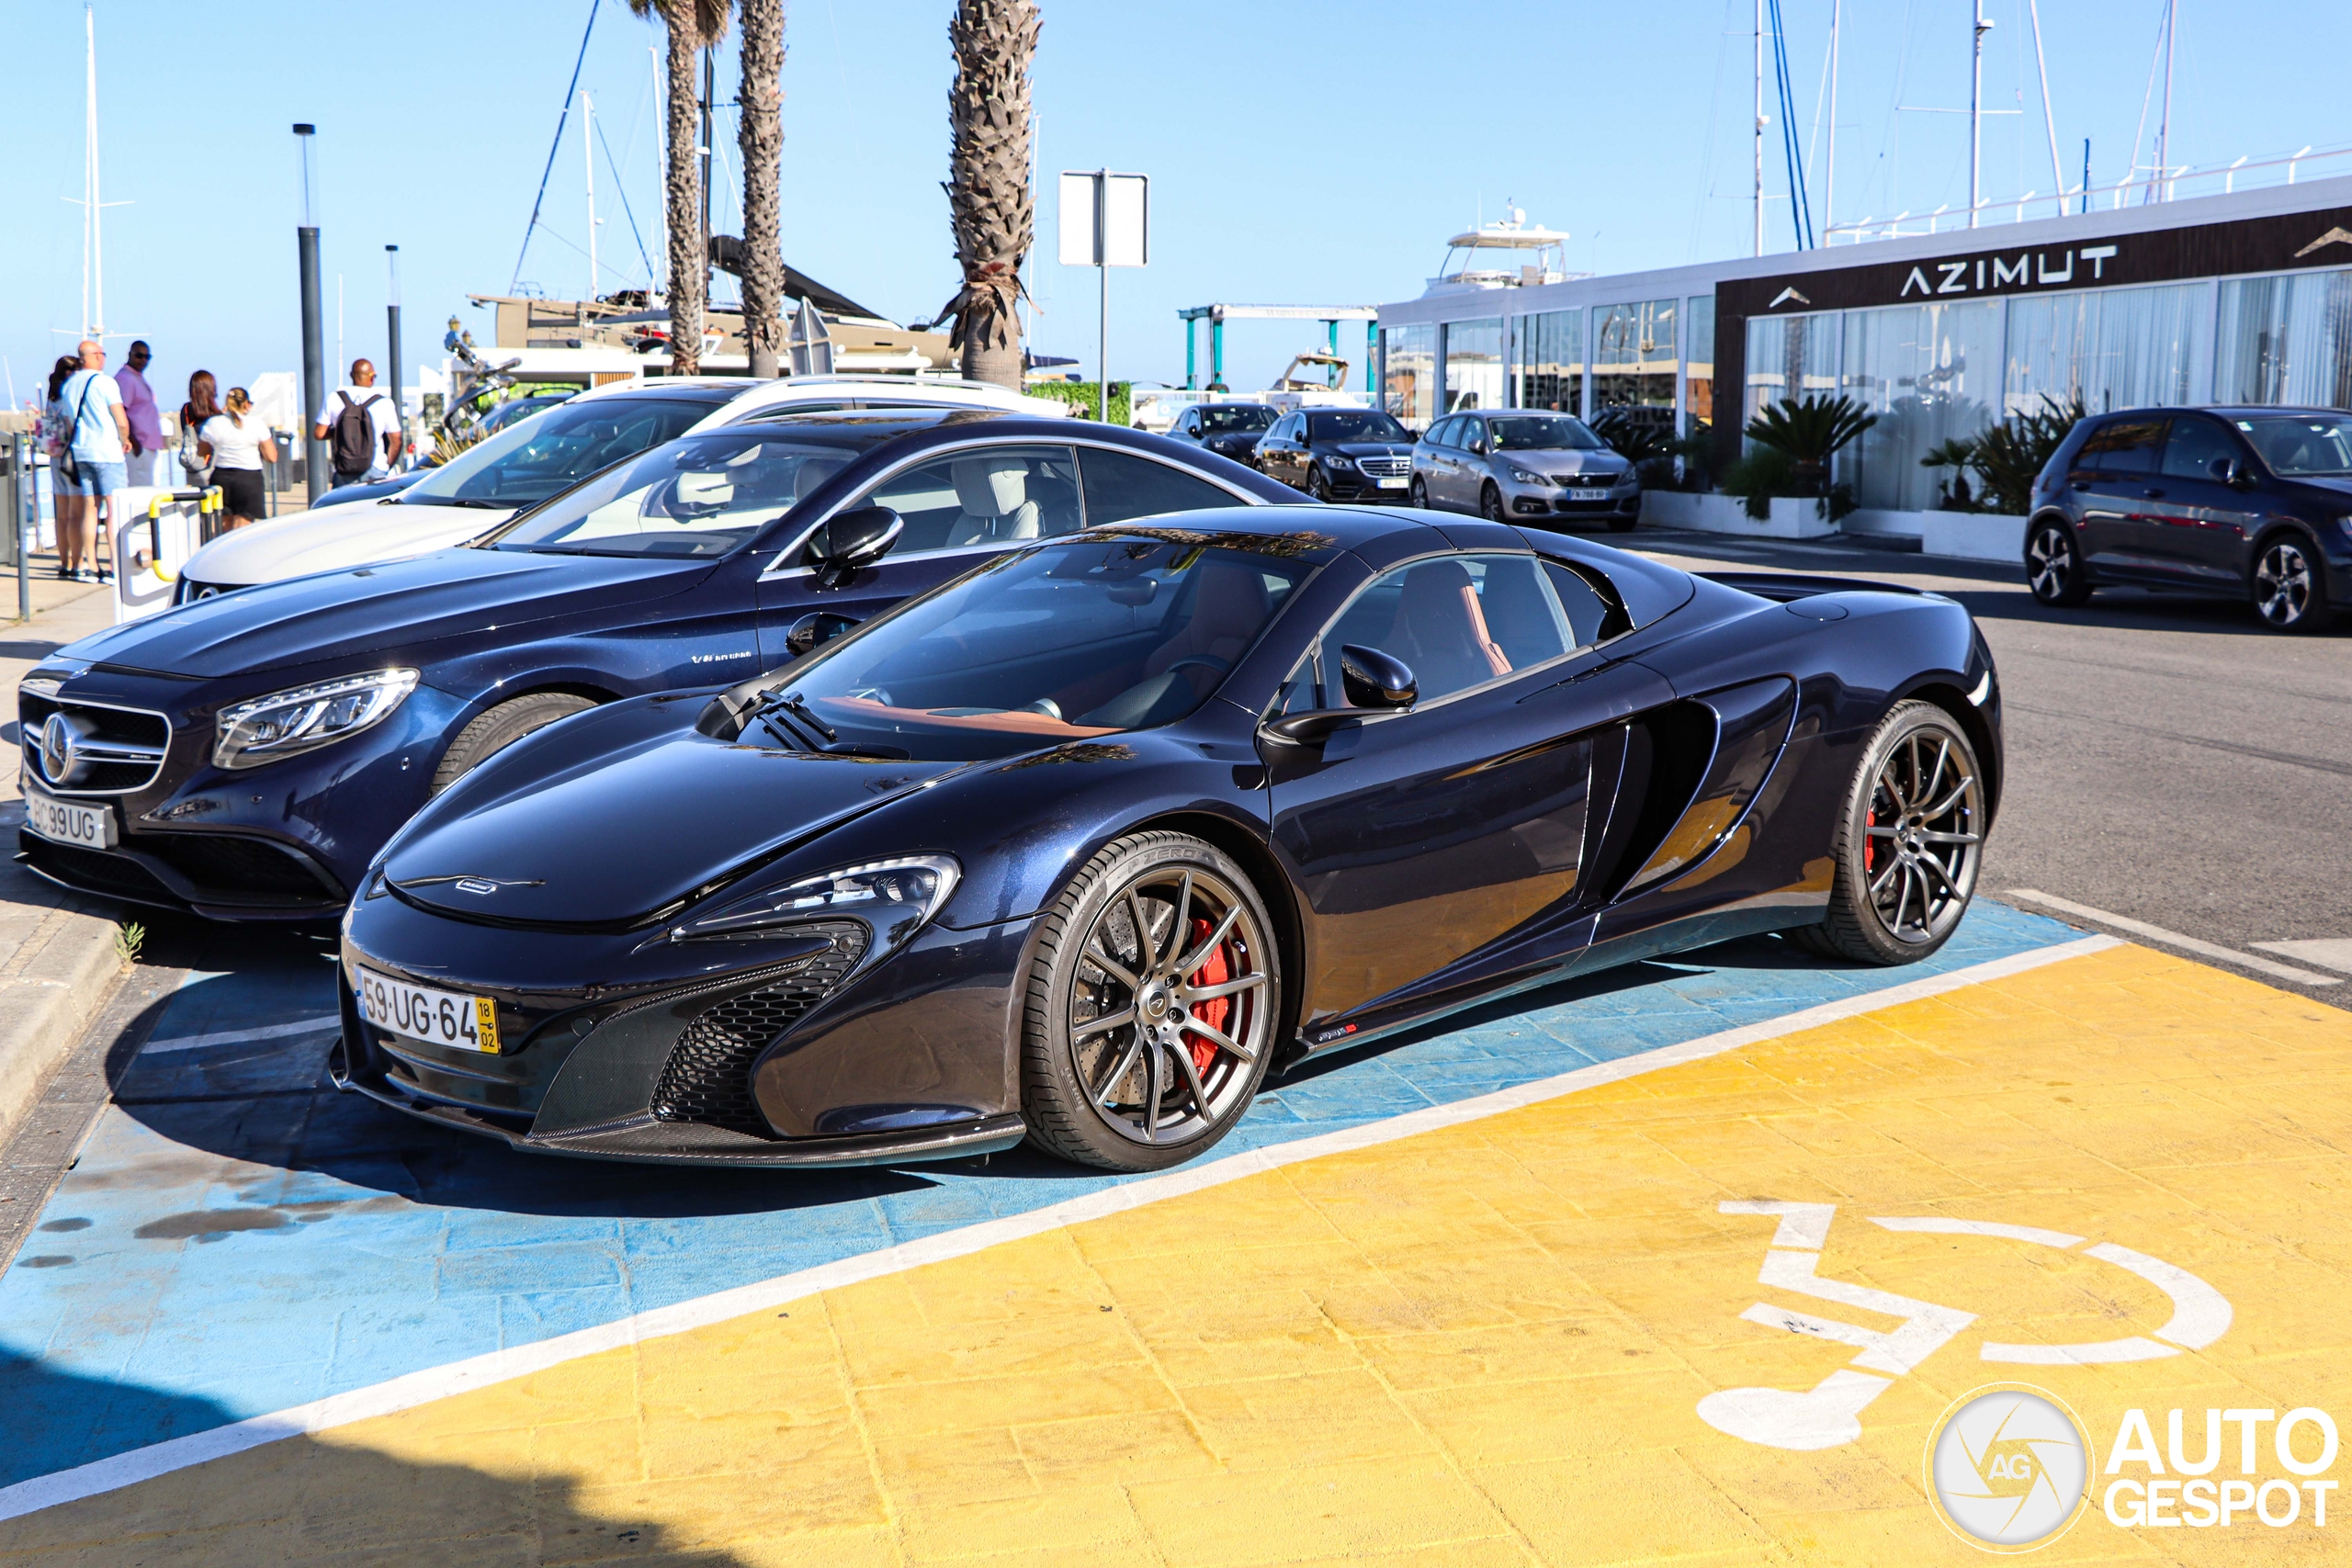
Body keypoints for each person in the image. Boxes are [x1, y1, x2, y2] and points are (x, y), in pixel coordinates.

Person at [55, 339, 132, 583]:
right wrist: (125, 439)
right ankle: (114, 566)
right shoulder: (105, 382)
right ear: (97, 356)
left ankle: (89, 565)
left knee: (90, 508)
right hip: (107, 452)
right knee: (114, 509)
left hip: (81, 451)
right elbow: (120, 418)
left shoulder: (69, 385)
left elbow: (69, 424)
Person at [311, 358, 402, 488]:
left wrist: (341, 432)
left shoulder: (334, 398)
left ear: (351, 375)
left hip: (345, 468)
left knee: (343, 508)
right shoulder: (384, 403)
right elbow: (396, 440)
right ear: (371, 377)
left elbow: (319, 434)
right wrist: (387, 465)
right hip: (375, 468)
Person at [198, 388, 279, 530]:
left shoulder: (214, 423)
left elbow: (201, 451)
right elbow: (272, 457)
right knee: (243, 529)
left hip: (222, 477)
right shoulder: (256, 424)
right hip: (249, 478)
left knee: (224, 527)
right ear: (246, 404)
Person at [42, 356, 83, 581]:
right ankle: (77, 561)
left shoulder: (52, 396)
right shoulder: (69, 396)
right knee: (76, 513)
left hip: (56, 456)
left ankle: (64, 561)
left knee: (61, 514)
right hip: (72, 457)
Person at [116, 339, 164, 487]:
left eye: (147, 357)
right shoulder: (125, 379)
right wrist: (133, 441)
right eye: (139, 356)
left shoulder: (137, 377)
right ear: (130, 355)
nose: (143, 360)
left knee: (149, 489)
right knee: (140, 490)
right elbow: (120, 411)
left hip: (147, 446)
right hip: (138, 447)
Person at [179, 370, 222, 490]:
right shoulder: (216, 416)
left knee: (194, 502)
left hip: (192, 466)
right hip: (211, 468)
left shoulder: (186, 410)